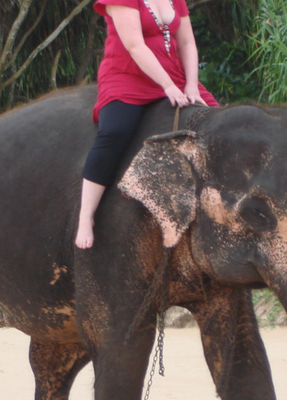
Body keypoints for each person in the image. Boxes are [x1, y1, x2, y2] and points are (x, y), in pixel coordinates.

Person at [75, 0, 219, 249]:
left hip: (174, 74)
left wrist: (192, 85)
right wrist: (167, 86)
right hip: (127, 75)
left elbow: (186, 43)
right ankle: (86, 217)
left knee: (218, 124)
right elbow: (134, 46)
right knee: (115, 132)